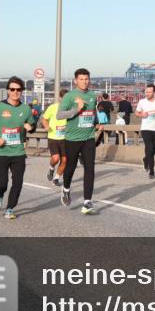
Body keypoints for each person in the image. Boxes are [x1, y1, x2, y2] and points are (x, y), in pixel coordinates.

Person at [0, 77, 34, 220]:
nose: (15, 92)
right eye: (12, 89)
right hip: (1, 152)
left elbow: (32, 125)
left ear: (22, 91)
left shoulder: (25, 109)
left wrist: (31, 128)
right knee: (2, 183)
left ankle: (10, 208)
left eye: (18, 90)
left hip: (18, 152)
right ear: (8, 91)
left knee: (18, 182)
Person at [56, 68, 105, 214]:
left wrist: (96, 122)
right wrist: (77, 109)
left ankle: (87, 202)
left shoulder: (92, 95)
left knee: (90, 169)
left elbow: (92, 112)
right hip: (72, 139)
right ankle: (66, 189)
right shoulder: (69, 96)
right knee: (70, 168)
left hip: (89, 138)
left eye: (87, 79)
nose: (84, 82)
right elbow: (59, 115)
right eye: (81, 79)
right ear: (75, 81)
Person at [40, 88, 69, 187]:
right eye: (64, 98)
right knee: (56, 158)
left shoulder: (71, 109)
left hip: (65, 138)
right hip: (53, 137)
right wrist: (46, 126)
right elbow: (44, 119)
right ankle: (51, 168)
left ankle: (56, 178)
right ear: (60, 98)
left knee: (64, 160)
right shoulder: (53, 107)